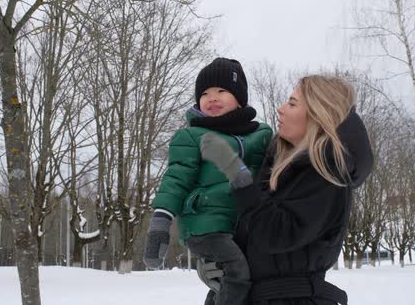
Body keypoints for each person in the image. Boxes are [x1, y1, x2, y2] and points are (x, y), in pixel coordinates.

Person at [199, 75, 374, 305]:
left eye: (292, 103)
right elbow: (250, 232)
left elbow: (275, 234)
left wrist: (236, 173)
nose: (281, 109)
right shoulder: (276, 167)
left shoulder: (328, 175)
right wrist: (219, 263)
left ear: (319, 114)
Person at [143, 57, 273, 305]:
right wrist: (160, 224)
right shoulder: (191, 136)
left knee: (228, 283)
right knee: (237, 273)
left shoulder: (262, 135)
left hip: (243, 225)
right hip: (205, 226)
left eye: (222, 90)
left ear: (239, 97)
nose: (212, 97)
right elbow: (176, 178)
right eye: (205, 93)